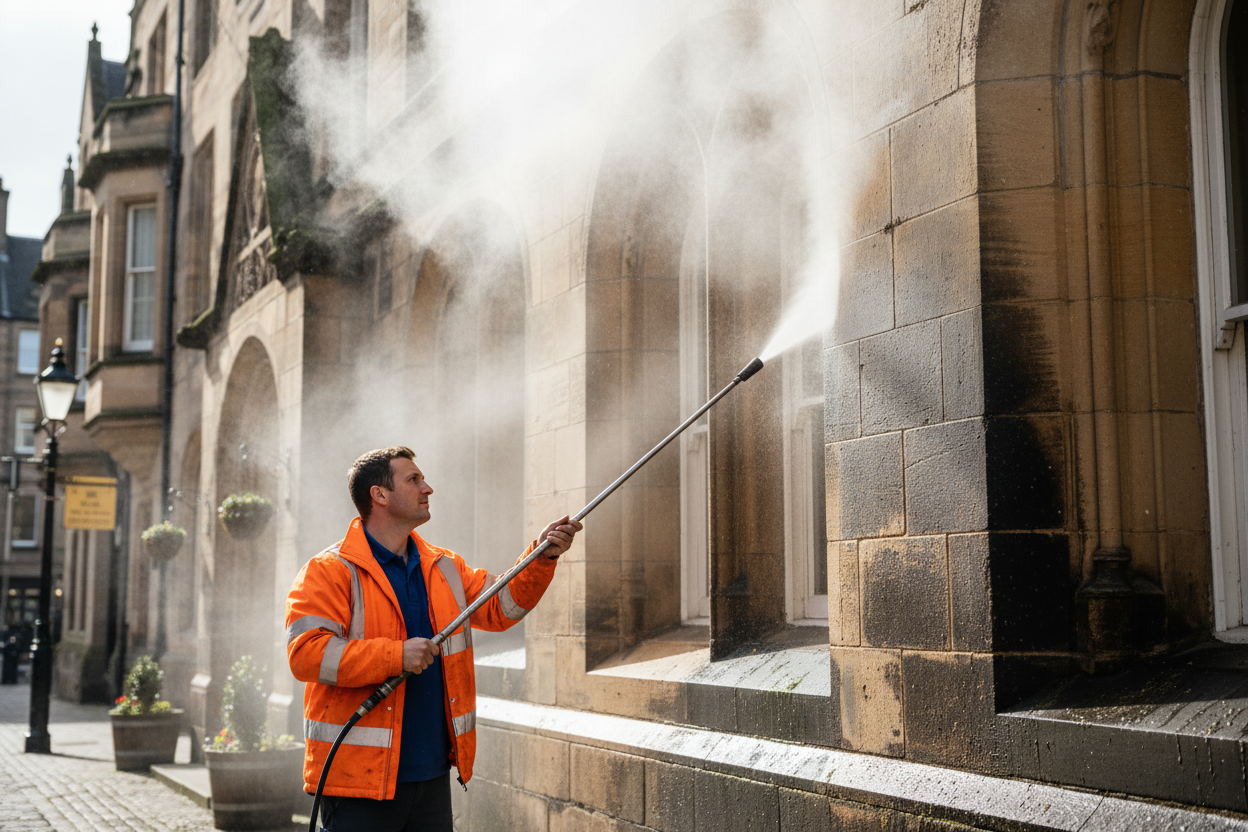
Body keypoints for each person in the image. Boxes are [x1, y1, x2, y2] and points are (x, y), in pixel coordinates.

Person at [286, 446, 581, 831]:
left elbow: (502, 607)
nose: (428, 488)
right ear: (379, 494)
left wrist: (542, 557)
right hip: (358, 786)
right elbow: (305, 654)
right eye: (413, 480)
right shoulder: (329, 571)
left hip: (432, 777)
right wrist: (395, 656)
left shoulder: (444, 567)